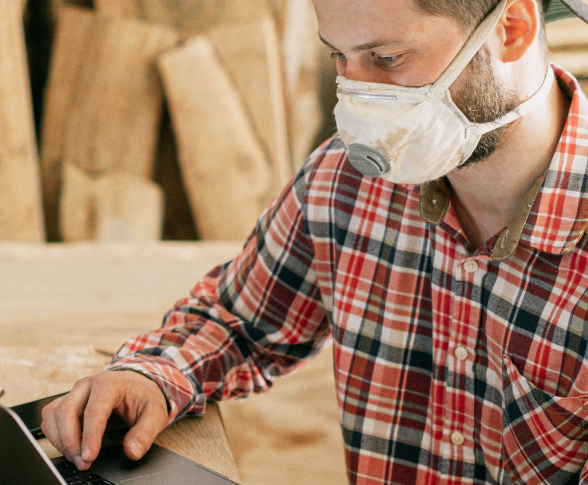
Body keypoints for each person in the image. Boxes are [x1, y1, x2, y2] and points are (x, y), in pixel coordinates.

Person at [41, 0, 588, 483]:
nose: (359, 97)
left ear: (511, 28)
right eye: (339, 59)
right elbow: (241, 322)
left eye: (388, 59)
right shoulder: (345, 183)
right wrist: (149, 376)